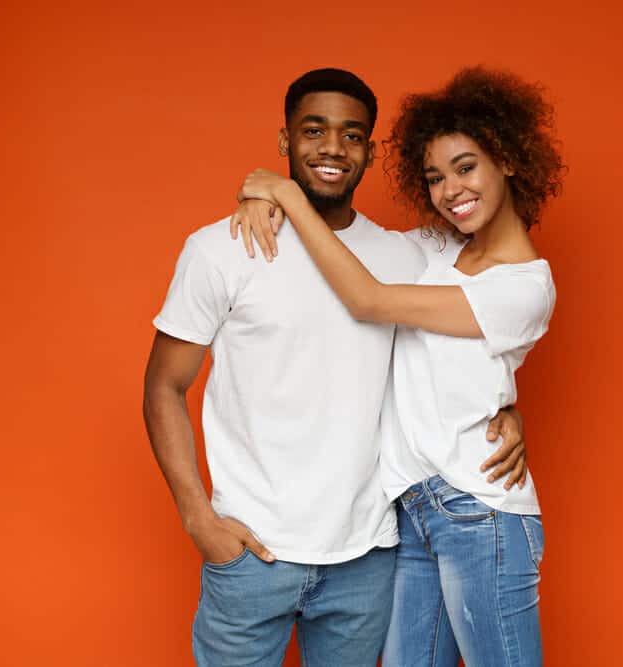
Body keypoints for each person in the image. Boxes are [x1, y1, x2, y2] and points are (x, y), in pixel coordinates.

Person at [142, 68, 528, 667]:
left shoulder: (405, 255)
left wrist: (503, 406)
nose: (331, 147)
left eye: (351, 136)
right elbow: (164, 386)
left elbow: (492, 304)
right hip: (250, 552)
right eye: (313, 129)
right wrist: (199, 519)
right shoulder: (219, 249)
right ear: (283, 142)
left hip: (368, 558)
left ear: (370, 152)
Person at [232, 66, 564, 667]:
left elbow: (368, 299)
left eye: (466, 168)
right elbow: (352, 248)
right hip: (412, 511)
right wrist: (265, 193)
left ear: (509, 161)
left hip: (479, 515)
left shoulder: (524, 286)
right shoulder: (438, 248)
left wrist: (282, 192)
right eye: (435, 177)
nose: (450, 191)